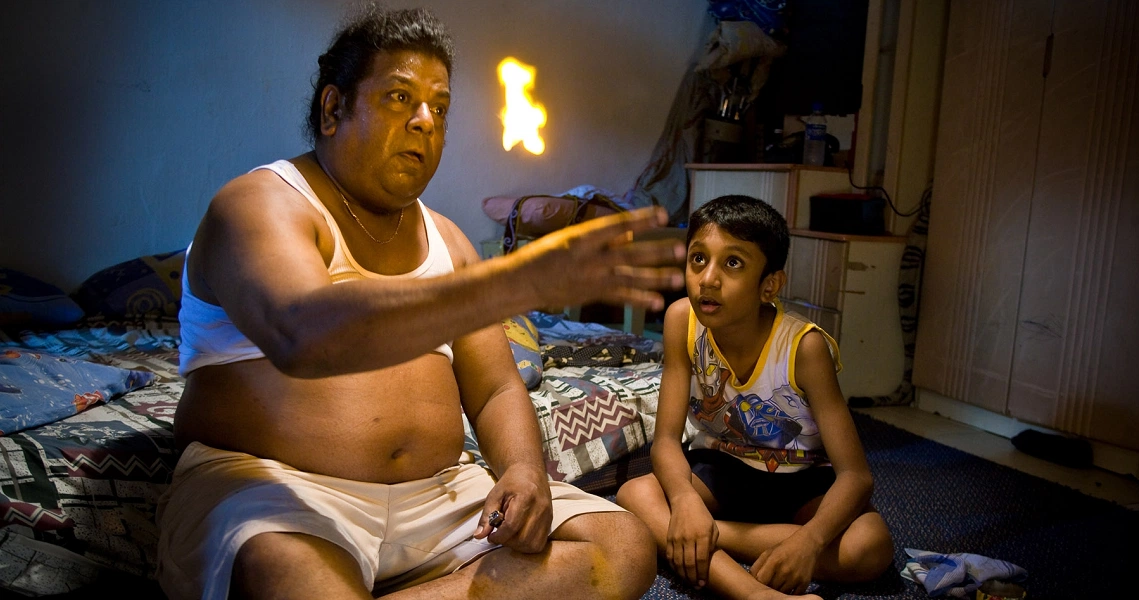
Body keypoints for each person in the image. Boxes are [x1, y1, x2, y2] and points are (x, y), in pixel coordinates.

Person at [155, 6, 682, 600]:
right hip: (278, 491)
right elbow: (299, 334)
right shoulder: (260, 204)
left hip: (442, 498)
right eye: (400, 98)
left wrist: (524, 468)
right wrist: (520, 281)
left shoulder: (448, 239)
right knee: (288, 575)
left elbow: (496, 388)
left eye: (440, 107)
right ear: (334, 109)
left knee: (623, 547)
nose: (426, 121)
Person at [615, 195, 894, 599]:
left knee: (871, 546)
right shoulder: (682, 321)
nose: (708, 278)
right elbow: (665, 442)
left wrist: (811, 541)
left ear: (770, 286)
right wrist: (684, 500)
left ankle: (707, 539)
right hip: (721, 470)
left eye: (732, 263)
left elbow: (856, 476)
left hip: (800, 482)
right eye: (698, 259)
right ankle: (754, 593)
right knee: (634, 494)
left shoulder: (804, 348)